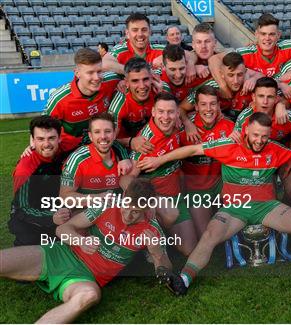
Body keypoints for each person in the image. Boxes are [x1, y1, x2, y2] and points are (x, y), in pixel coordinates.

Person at [137, 112, 291, 294]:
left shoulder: (273, 149)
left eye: (264, 136)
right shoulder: (229, 146)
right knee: (209, 235)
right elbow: (192, 149)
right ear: (246, 130)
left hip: (267, 207)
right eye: (256, 135)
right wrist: (159, 159)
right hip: (235, 208)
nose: (260, 140)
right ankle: (183, 280)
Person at [0, 178, 180, 323]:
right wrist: (80, 240)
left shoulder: (152, 229)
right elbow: (62, 229)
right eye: (126, 206)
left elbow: (165, 272)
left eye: (135, 212)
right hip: (59, 254)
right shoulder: (107, 205)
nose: (127, 215)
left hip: (84, 278)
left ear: (147, 209)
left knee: (89, 296)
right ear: (124, 195)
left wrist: (157, 252)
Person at [121, 92, 197, 257]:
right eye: (161, 112)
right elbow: (127, 178)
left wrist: (187, 122)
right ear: (153, 112)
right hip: (156, 199)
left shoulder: (178, 125)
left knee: (190, 249)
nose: (166, 117)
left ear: (177, 113)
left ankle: (161, 237)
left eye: (170, 112)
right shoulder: (146, 141)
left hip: (176, 196)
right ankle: (150, 241)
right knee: (171, 213)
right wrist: (144, 199)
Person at [180, 85, 235, 238]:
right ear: (196, 106)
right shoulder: (184, 128)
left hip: (220, 184)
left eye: (213, 104)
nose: (208, 109)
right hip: (196, 187)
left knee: (237, 220)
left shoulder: (229, 127)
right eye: (203, 104)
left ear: (219, 105)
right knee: (206, 235)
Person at [43, 48, 121, 153]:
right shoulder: (59, 99)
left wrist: (124, 82)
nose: (97, 77)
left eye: (99, 71)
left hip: (102, 145)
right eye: (90, 73)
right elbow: (41, 127)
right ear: (77, 73)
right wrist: (32, 143)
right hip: (70, 150)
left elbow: (134, 75)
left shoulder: (111, 81)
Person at [9, 116, 68, 246]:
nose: (46, 144)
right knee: (34, 254)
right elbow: (22, 208)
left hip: (56, 208)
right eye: (40, 139)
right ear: (32, 140)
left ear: (60, 138)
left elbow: (94, 139)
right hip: (30, 219)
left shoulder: (66, 147)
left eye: (51, 138)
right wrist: (51, 217)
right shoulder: (25, 168)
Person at [60, 113, 132, 205]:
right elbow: (64, 197)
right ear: (90, 136)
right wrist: (97, 198)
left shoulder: (123, 157)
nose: (103, 136)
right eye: (97, 132)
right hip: (86, 214)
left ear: (114, 134)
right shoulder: (78, 158)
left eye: (108, 131)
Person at [108, 58, 169, 151]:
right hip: (128, 147)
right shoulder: (119, 103)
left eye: (145, 79)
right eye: (135, 81)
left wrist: (161, 96)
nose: (142, 86)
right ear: (126, 82)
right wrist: (130, 142)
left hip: (156, 141)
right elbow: (108, 140)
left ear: (152, 77)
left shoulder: (161, 89)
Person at [180, 52, 258, 121]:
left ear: (245, 72)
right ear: (222, 74)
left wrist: (254, 79)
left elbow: (263, 77)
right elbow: (181, 108)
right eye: (230, 75)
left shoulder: (247, 81)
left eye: (240, 75)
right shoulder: (210, 87)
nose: (236, 80)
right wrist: (188, 124)